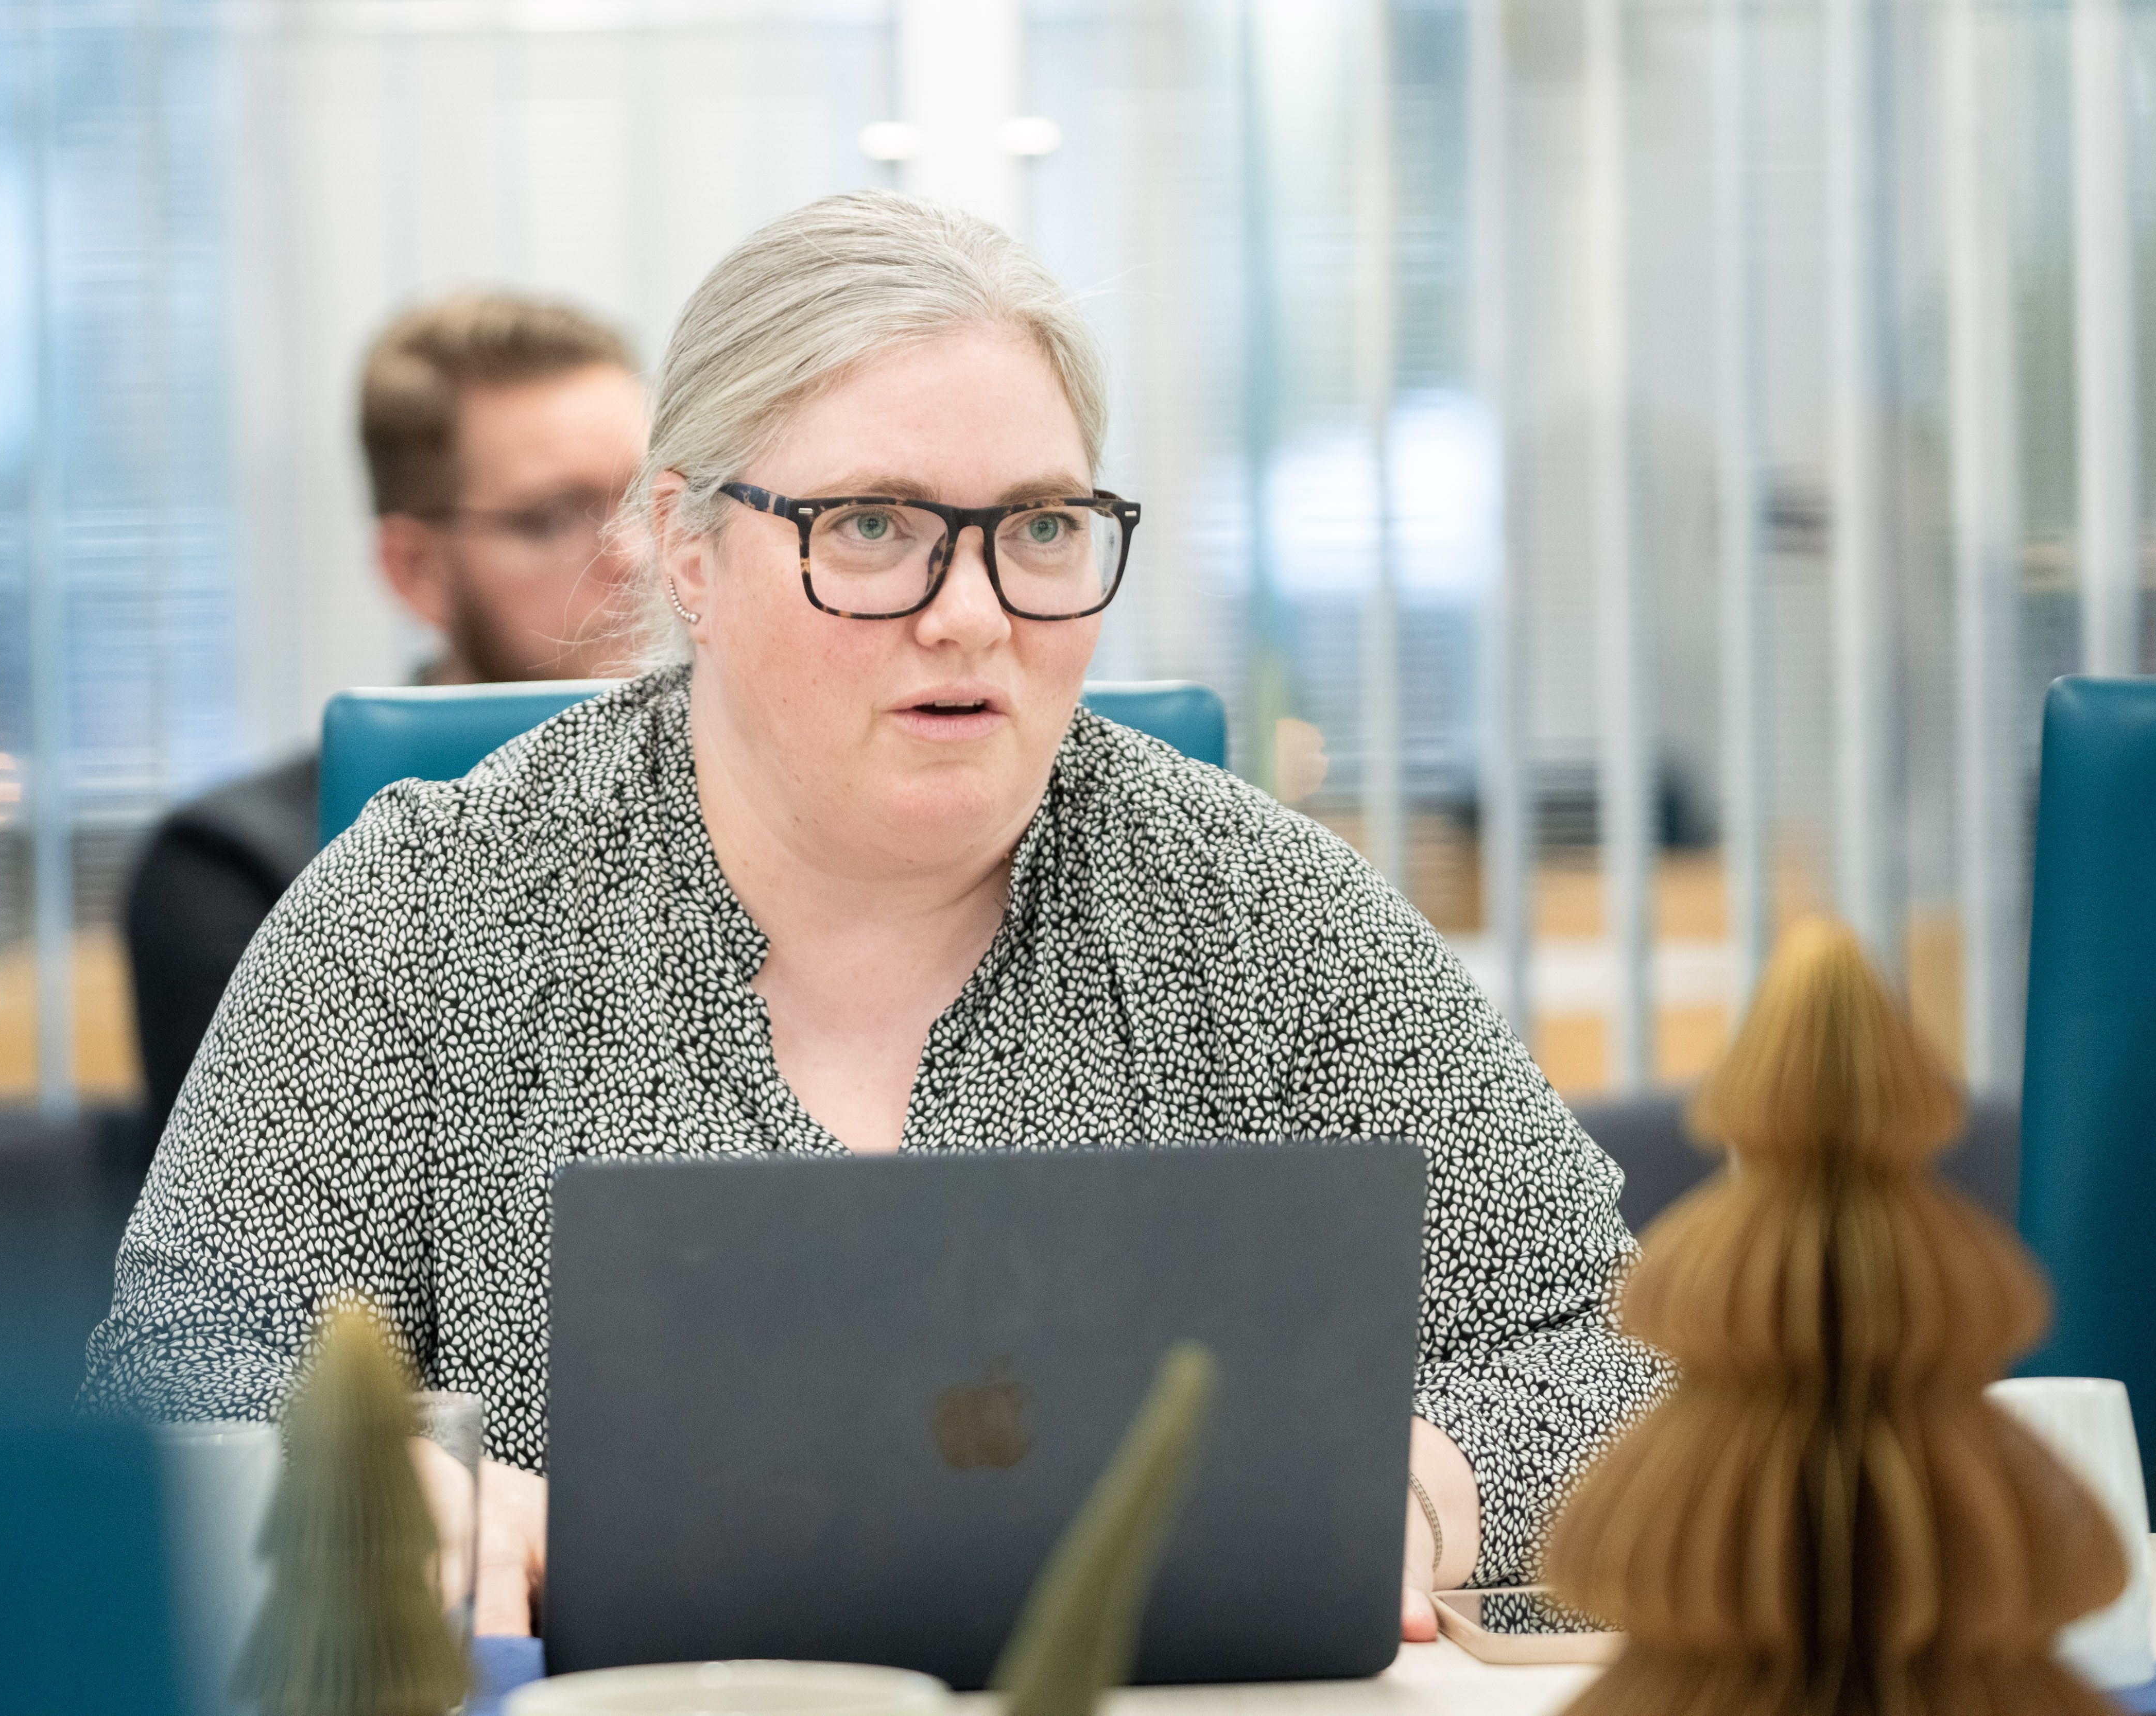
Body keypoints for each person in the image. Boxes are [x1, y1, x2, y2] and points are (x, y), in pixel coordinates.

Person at [84, 192, 1671, 1645]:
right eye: (870, 527)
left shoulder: (1258, 911)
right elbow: (174, 1389)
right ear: (687, 547)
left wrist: (1426, 1480)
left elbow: (1623, 1351)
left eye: (1041, 526)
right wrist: (405, 1489)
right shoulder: (427, 912)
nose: (973, 612)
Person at [122, 293, 647, 1146]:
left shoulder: (764, 819)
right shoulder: (236, 872)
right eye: (554, 517)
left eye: (651, 498)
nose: (633, 554)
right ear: (416, 570)